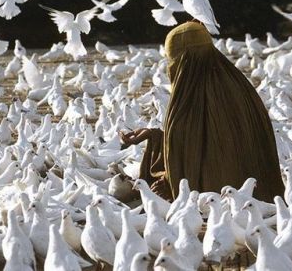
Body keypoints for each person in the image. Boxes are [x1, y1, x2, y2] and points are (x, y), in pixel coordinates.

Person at [120, 21, 283, 201]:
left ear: (185, 61)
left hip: (223, 201)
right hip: (260, 194)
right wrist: (154, 137)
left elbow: (216, 161)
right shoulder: (238, 84)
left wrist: (169, 182)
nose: (173, 69)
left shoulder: (198, 97)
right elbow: (197, 144)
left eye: (175, 60)